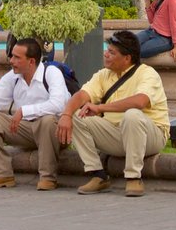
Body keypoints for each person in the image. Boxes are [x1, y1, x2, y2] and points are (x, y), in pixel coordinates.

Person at [58, 30, 169, 197]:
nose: (105, 54)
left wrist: (100, 108)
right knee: (77, 116)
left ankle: (133, 178)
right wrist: (66, 115)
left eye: (111, 52)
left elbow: (140, 101)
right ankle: (98, 175)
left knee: (132, 115)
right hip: (117, 134)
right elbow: (82, 96)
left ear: (127, 58)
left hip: (151, 136)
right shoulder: (103, 75)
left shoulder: (147, 73)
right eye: (106, 50)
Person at [0, 38, 70, 190]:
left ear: (31, 62)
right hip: (24, 130)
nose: (11, 61)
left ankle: (48, 178)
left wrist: (25, 110)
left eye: (17, 57)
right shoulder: (13, 77)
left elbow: (58, 104)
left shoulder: (51, 73)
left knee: (47, 120)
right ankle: (1, 174)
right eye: (12, 56)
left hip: (54, 132)